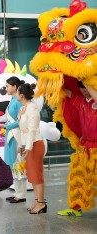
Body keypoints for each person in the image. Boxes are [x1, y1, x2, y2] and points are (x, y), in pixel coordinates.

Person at [57, 80, 97, 217]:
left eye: (86, 88)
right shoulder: (80, 99)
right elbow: (65, 92)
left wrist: (86, 81)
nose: (85, 91)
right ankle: (75, 208)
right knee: (78, 177)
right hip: (84, 145)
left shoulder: (95, 100)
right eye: (82, 89)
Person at [16, 83, 46, 214]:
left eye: (17, 92)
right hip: (29, 145)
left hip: (35, 144)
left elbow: (32, 130)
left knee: (37, 175)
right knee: (32, 175)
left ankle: (41, 203)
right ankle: (37, 200)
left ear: (21, 95)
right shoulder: (25, 107)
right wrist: (20, 145)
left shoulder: (32, 108)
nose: (16, 94)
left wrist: (27, 148)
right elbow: (22, 128)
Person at [0, 77, 26, 203]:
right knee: (12, 164)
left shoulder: (18, 101)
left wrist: (7, 126)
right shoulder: (13, 100)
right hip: (10, 135)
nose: (6, 88)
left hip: (16, 136)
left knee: (18, 163)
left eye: (8, 86)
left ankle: (21, 194)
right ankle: (17, 192)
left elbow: (21, 120)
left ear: (15, 87)